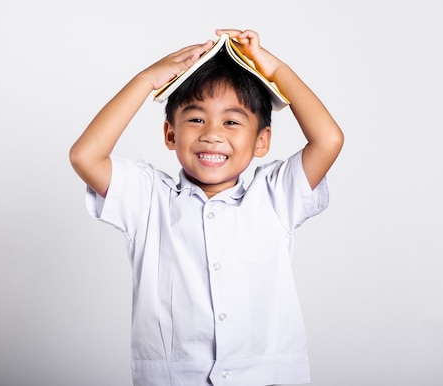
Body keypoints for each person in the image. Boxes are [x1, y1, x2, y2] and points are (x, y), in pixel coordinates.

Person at [69, 28, 344, 386]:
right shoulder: (148, 199)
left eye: (231, 121)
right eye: (196, 118)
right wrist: (146, 80)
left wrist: (274, 69)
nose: (212, 134)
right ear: (170, 134)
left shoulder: (275, 196)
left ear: (262, 141)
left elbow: (329, 139)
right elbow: (84, 155)